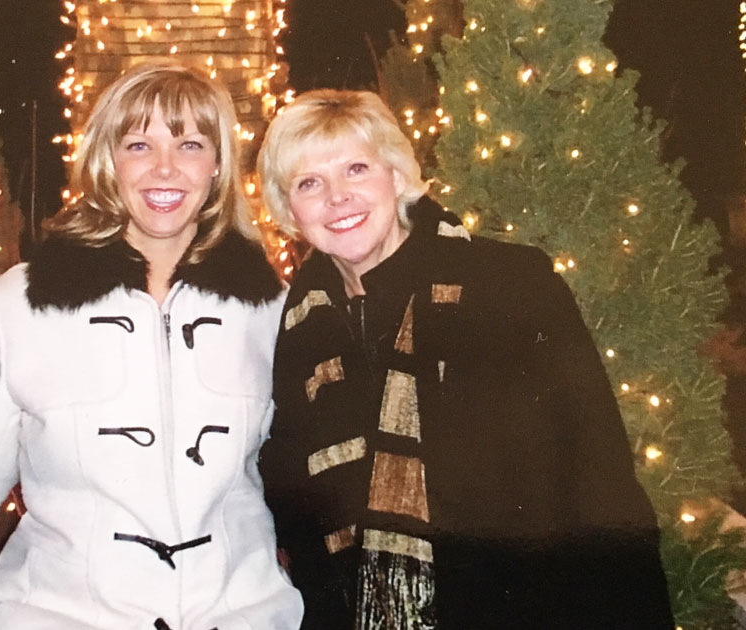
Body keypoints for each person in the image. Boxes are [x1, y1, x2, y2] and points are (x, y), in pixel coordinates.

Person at [255, 89, 674, 629]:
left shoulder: (508, 285)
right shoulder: (298, 329)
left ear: (396, 176)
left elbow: (600, 480)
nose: (338, 197)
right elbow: (295, 498)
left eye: (356, 169)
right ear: (290, 209)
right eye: (309, 183)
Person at [0, 60, 303, 630]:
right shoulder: (20, 302)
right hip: (61, 618)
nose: (165, 168)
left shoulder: (269, 306)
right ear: (107, 162)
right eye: (139, 145)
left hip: (239, 616)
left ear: (217, 165)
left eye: (190, 145)